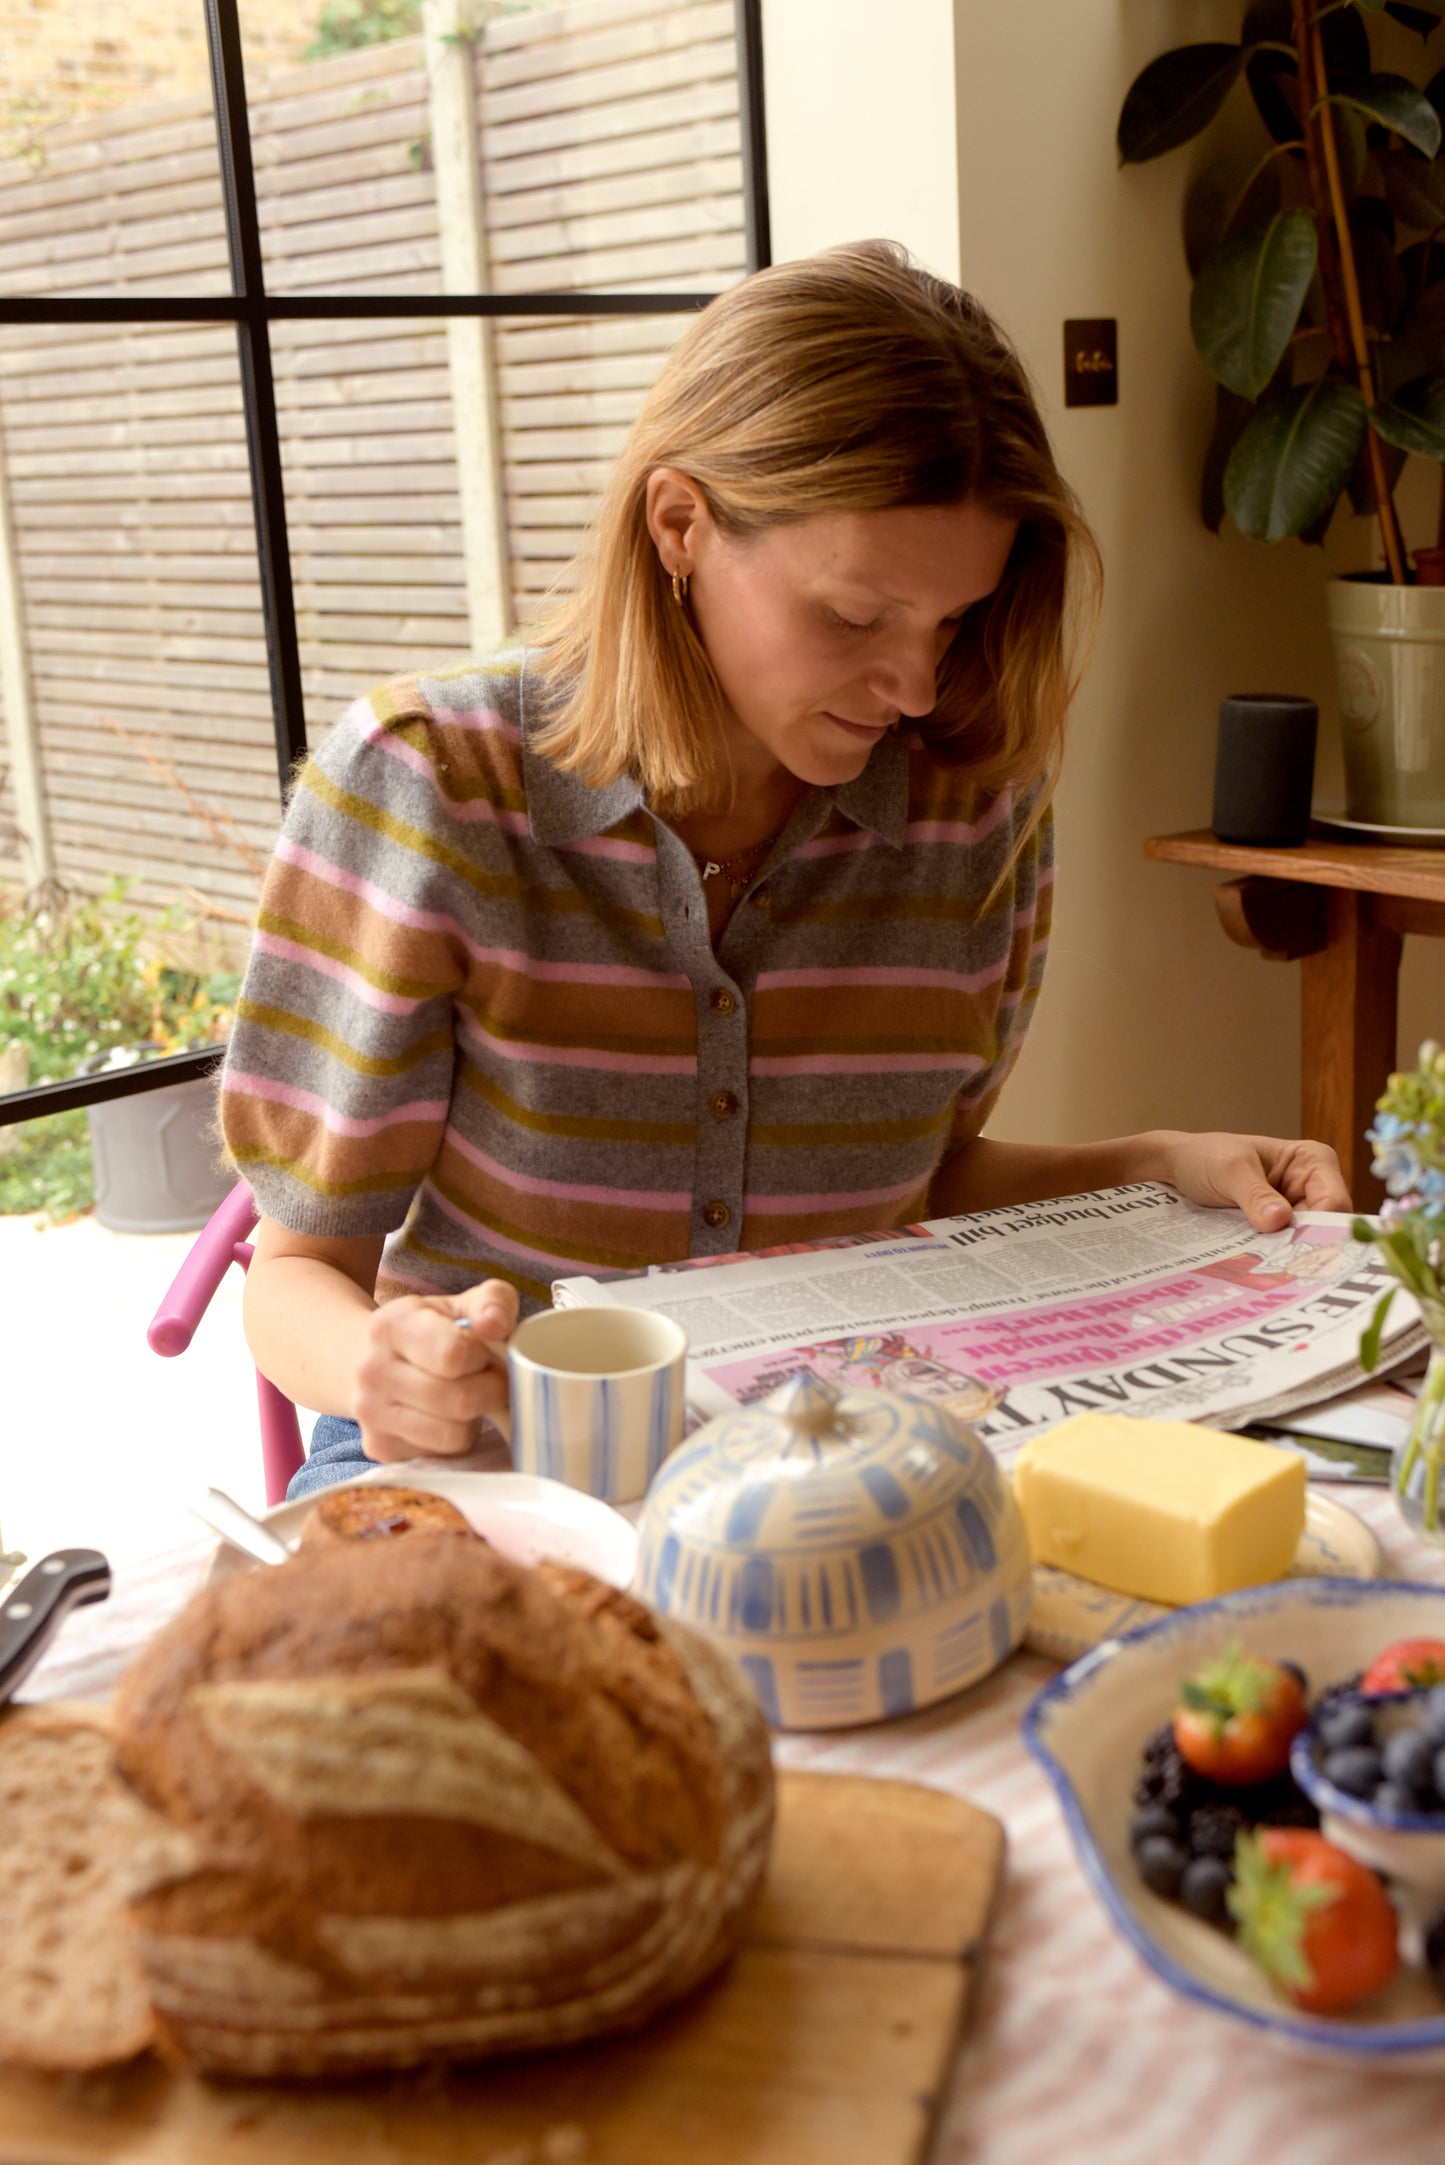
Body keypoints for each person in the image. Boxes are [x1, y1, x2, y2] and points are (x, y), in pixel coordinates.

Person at [219, 240, 1349, 1497]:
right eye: (855, 617)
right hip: (485, 1461)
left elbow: (904, 1178)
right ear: (680, 524)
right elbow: (293, 1271)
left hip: (825, 1461)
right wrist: (381, 1361)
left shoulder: (973, 809)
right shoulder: (428, 785)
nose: (914, 684)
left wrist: (1153, 1163)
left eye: (953, 619)